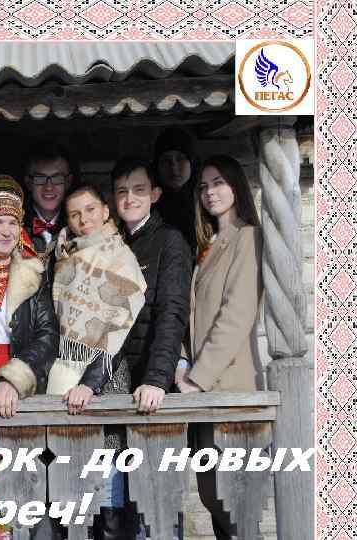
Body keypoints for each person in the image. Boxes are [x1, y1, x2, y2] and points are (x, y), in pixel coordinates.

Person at [48, 184, 146, 540]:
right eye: (74, 214)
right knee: (70, 494)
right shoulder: (63, 255)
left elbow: (120, 330)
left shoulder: (120, 257)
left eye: (90, 210)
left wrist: (90, 383)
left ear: (105, 211)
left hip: (106, 378)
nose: (83, 219)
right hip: (64, 377)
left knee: (106, 494)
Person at [176, 155, 263, 540]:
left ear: (236, 186)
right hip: (202, 391)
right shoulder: (207, 245)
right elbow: (192, 318)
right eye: (203, 186)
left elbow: (236, 315)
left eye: (219, 183)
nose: (210, 192)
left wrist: (198, 378)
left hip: (230, 387)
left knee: (234, 504)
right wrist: (182, 365)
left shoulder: (248, 237)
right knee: (213, 497)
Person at [106, 159, 192, 540]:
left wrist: (158, 378)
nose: (130, 198)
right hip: (116, 387)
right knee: (116, 504)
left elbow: (172, 312)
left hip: (150, 388)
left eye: (139, 190)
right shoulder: (113, 244)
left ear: (155, 194)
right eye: (122, 191)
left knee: (155, 505)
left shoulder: (169, 241)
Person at [0, 174, 59, 538]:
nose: (6, 231)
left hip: (13, 381)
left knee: (14, 472)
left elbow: (47, 335)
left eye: (12, 222)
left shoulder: (32, 275)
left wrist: (14, 379)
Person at [22, 142, 74, 275]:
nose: (49, 187)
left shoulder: (81, 226)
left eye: (57, 178)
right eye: (40, 178)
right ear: (29, 183)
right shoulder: (13, 226)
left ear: (68, 182)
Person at [152, 127, 200, 254]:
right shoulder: (146, 208)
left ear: (191, 162)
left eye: (180, 158)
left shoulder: (207, 202)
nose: (173, 167)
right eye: (166, 160)